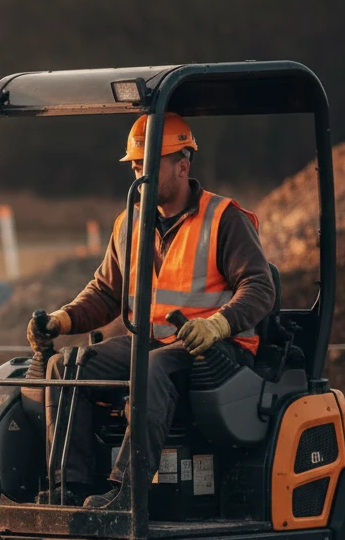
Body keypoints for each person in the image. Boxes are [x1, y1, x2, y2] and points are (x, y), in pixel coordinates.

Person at [27, 113, 275, 508]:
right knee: (66, 366)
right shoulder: (130, 223)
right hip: (154, 343)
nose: (139, 175)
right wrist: (62, 320)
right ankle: (69, 490)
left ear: (182, 165)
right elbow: (107, 292)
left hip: (216, 353)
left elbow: (260, 287)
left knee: (152, 370)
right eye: (135, 166)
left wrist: (217, 325)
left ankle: (126, 493)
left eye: (148, 165)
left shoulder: (223, 219)